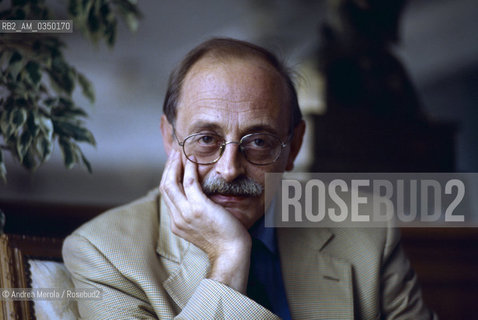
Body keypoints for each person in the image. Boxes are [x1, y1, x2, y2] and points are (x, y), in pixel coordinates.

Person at [62, 38, 436, 319]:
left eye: (258, 142)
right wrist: (227, 258)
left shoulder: (365, 230)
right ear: (168, 138)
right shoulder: (105, 252)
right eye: (206, 140)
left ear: (294, 146)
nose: (229, 168)